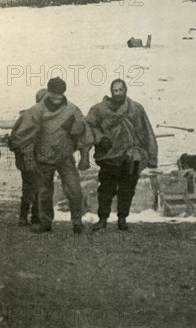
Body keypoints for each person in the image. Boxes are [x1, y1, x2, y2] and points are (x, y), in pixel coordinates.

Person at [9, 77, 88, 234]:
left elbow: (83, 132)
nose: (57, 97)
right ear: (49, 92)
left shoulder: (72, 110)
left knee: (74, 190)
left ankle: (77, 221)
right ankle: (46, 222)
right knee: (44, 192)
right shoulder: (37, 111)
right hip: (44, 158)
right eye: (54, 93)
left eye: (60, 94)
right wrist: (27, 157)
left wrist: (84, 155)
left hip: (65, 157)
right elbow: (22, 135)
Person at [86, 79, 158, 231]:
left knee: (127, 190)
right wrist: (100, 138)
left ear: (126, 90)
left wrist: (152, 156)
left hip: (131, 156)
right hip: (109, 156)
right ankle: (102, 219)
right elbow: (89, 125)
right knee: (106, 189)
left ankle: (122, 219)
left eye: (121, 90)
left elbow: (147, 131)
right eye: (115, 90)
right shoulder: (100, 110)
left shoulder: (136, 109)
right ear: (111, 91)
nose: (118, 93)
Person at [10, 89, 46, 226]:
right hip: (28, 155)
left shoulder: (47, 116)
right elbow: (15, 138)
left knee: (39, 187)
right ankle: (24, 216)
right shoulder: (28, 115)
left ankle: (34, 216)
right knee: (30, 187)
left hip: (41, 156)